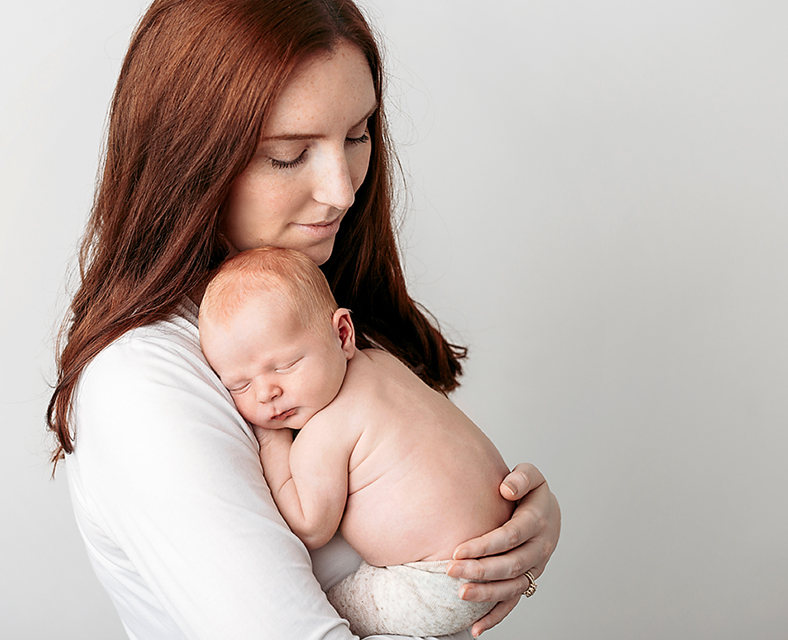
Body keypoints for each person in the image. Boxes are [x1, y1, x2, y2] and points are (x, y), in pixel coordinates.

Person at [47, 1, 561, 638]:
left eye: (357, 135)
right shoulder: (143, 382)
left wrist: (516, 528)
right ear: (188, 162)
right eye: (289, 155)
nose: (343, 189)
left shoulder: (314, 314)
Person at [199, 246, 514, 637]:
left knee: (325, 605)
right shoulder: (383, 364)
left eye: (284, 366)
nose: (266, 393)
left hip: (436, 583)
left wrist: (269, 439)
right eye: (239, 385)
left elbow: (310, 527)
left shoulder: (325, 431)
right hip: (503, 546)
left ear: (342, 334)